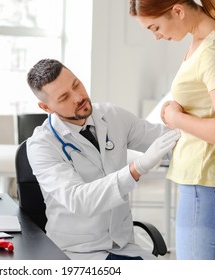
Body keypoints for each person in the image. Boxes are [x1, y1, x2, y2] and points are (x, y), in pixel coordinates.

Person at [26, 58, 181, 260]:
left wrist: (189, 123)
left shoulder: (112, 115)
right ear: (46, 107)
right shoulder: (42, 145)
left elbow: (166, 140)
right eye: (64, 97)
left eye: (76, 85)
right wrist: (136, 169)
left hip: (123, 245)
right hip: (77, 253)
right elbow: (79, 200)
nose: (78, 97)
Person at [129, 0, 215, 260]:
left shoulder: (211, 50)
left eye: (155, 27)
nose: (156, 37)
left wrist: (174, 117)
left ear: (177, 10)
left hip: (207, 185)